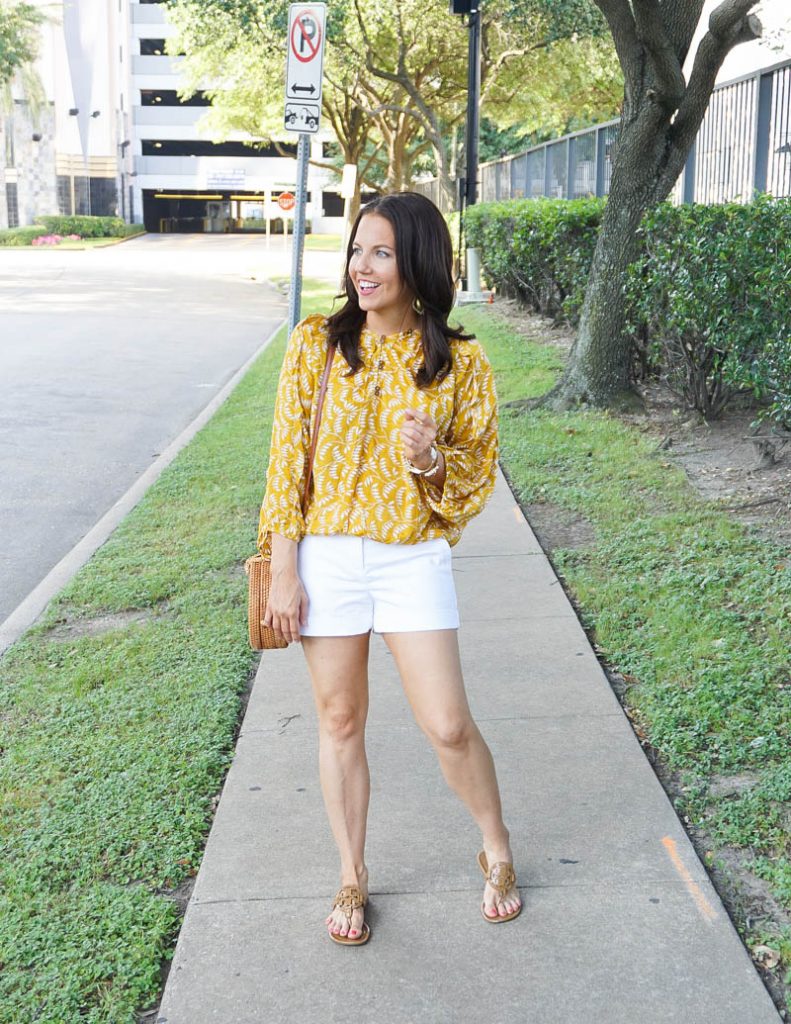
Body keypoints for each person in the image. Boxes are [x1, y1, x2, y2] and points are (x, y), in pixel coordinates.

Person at [257, 191, 521, 946]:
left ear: (417, 261)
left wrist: (431, 457)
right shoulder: (317, 343)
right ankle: (351, 872)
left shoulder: (457, 360)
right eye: (355, 251)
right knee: (339, 719)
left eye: (380, 252)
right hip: (326, 556)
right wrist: (283, 568)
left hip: (411, 556)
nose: (361, 267)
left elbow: (477, 471)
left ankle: (495, 846)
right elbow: (285, 466)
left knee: (446, 724)